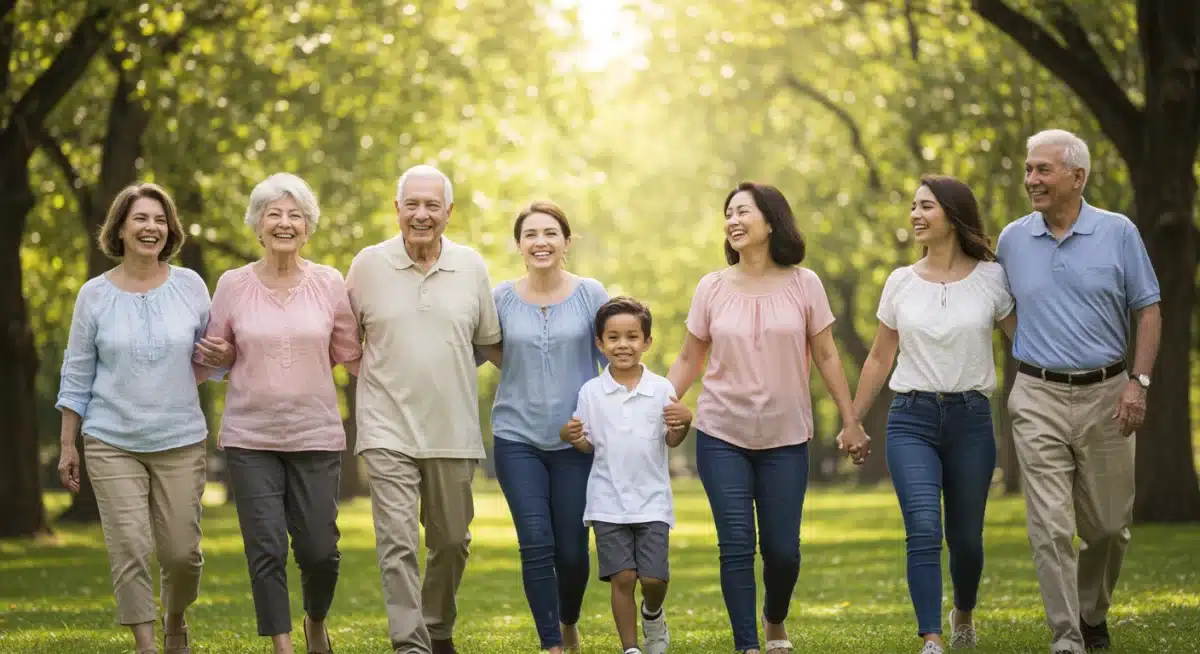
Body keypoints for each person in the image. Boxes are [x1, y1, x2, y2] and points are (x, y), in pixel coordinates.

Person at [665, 181, 870, 654]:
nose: (733, 221)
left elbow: (826, 355)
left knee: (783, 551)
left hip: (785, 434)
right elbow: (688, 359)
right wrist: (655, 405)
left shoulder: (805, 284)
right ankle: (746, 645)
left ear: (771, 221)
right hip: (721, 433)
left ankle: (773, 616)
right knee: (735, 545)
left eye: (743, 212)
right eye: (728, 214)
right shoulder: (711, 287)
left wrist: (851, 419)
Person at [998, 129, 1161, 654]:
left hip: (1109, 394)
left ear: (1077, 176)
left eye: (1042, 170)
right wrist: (1031, 346)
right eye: (1028, 170)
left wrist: (1138, 382)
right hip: (1038, 396)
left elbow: (1149, 308)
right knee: (1050, 525)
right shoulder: (1011, 240)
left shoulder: (1118, 232)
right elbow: (1002, 309)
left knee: (1110, 527)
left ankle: (1091, 614)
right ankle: (1067, 637)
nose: (1031, 180)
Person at [847, 176, 1015, 654]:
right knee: (923, 527)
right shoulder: (900, 282)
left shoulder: (992, 279)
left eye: (927, 206)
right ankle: (932, 637)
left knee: (966, 539)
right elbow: (879, 357)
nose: (916, 215)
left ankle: (962, 610)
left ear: (953, 214)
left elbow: (1023, 342)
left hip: (971, 419)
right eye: (913, 207)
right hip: (911, 418)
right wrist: (854, 418)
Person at [198, 173, 362, 654]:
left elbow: (350, 353)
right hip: (251, 438)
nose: (284, 223)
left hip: (315, 436)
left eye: (295, 215)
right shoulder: (232, 284)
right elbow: (216, 356)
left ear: (308, 227)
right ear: (257, 226)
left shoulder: (330, 283)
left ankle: (315, 620)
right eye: (274, 214)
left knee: (319, 551)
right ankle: (284, 646)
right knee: (265, 548)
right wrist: (219, 355)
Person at [56, 182, 222, 654]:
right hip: (112, 439)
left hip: (180, 438)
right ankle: (147, 645)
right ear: (121, 229)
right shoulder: (94, 295)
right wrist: (69, 443)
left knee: (182, 554)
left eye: (159, 220)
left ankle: (175, 618)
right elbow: (77, 371)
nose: (151, 228)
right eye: (141, 219)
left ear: (169, 230)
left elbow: (213, 357)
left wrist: (223, 352)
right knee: (129, 547)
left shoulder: (190, 285)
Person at [346, 164, 502, 654]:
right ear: (396, 209)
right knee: (397, 546)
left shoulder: (471, 266)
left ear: (448, 213)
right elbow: (344, 345)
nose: (421, 214)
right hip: (386, 429)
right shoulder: (367, 266)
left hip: (452, 430)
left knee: (452, 541)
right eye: (411, 204)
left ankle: (436, 627)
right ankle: (410, 645)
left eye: (432, 205)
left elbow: (487, 345)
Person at [475, 202, 609, 653]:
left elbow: (617, 360)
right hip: (517, 439)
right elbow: (475, 348)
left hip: (577, 440)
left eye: (550, 233)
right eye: (530, 234)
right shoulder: (501, 299)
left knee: (572, 551)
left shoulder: (591, 294)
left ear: (566, 243)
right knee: (535, 542)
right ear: (519, 245)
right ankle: (552, 643)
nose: (540, 242)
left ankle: (568, 619)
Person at [559, 296, 692, 654]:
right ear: (600, 344)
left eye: (632, 336)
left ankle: (652, 612)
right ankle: (631, 648)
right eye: (613, 338)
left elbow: (672, 439)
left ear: (647, 342)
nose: (623, 345)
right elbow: (587, 443)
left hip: (652, 501)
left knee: (652, 579)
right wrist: (572, 438)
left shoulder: (662, 389)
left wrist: (685, 423)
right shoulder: (591, 392)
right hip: (607, 500)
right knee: (622, 577)